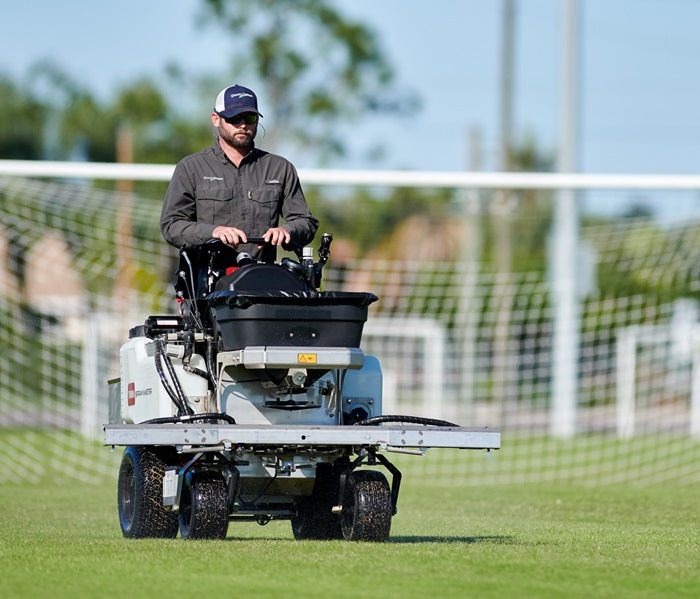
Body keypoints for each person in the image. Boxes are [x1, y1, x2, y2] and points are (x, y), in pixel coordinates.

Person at [160, 84, 319, 262]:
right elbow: (172, 225)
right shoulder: (191, 167)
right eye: (234, 118)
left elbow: (306, 222)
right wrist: (213, 232)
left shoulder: (280, 168)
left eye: (249, 117)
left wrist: (287, 231)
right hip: (207, 283)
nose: (243, 124)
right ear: (216, 119)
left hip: (262, 281)